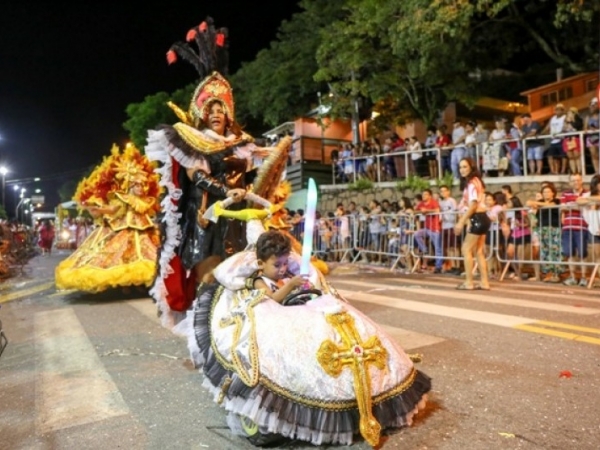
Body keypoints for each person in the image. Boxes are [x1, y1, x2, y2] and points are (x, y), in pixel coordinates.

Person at [145, 18, 285, 324]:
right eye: (211, 110)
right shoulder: (194, 140)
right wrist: (227, 193)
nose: (217, 114)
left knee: (243, 275)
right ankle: (204, 336)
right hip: (208, 218)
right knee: (208, 280)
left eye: (222, 110)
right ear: (202, 114)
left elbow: (258, 174)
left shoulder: (242, 143)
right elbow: (197, 177)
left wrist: (261, 180)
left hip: (239, 218)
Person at [55, 145, 161, 292]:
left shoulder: (146, 200)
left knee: (149, 254)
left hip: (144, 230)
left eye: (142, 185)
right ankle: (126, 284)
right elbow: (113, 209)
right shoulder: (122, 197)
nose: (141, 188)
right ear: (130, 185)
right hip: (124, 229)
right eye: (137, 185)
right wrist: (99, 209)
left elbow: (153, 211)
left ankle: (143, 282)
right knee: (121, 255)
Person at [454, 157, 490, 290]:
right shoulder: (477, 181)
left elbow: (473, 205)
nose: (462, 170)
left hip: (478, 218)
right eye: (460, 167)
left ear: (471, 167)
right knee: (478, 251)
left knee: (466, 249)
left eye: (465, 167)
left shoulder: (471, 184)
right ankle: (484, 282)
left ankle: (469, 282)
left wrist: (461, 221)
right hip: (483, 218)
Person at [250, 230, 306, 303]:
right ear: (261, 264)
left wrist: (305, 287)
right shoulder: (259, 282)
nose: (283, 269)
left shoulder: (287, 278)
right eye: (277, 265)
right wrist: (291, 284)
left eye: (285, 263)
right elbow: (272, 300)